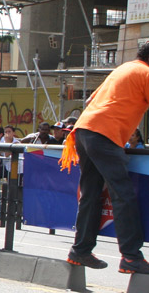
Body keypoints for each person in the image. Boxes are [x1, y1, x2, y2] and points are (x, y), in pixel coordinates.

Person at [60, 43, 149, 274]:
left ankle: (80, 250)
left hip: (83, 131)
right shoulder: (145, 73)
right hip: (104, 135)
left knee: (91, 193)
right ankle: (131, 256)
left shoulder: (123, 69)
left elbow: (90, 101)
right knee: (123, 194)